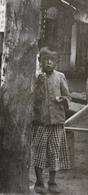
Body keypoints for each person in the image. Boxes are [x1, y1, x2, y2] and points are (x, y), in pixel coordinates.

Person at [32, 46, 71, 194]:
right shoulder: (35, 77)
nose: (48, 62)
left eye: (52, 59)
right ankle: (39, 182)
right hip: (39, 122)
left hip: (56, 122)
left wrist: (63, 99)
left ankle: (52, 182)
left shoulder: (60, 77)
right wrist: (40, 84)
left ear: (57, 62)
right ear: (39, 61)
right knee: (39, 151)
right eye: (45, 59)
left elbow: (68, 96)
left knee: (54, 151)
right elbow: (32, 98)